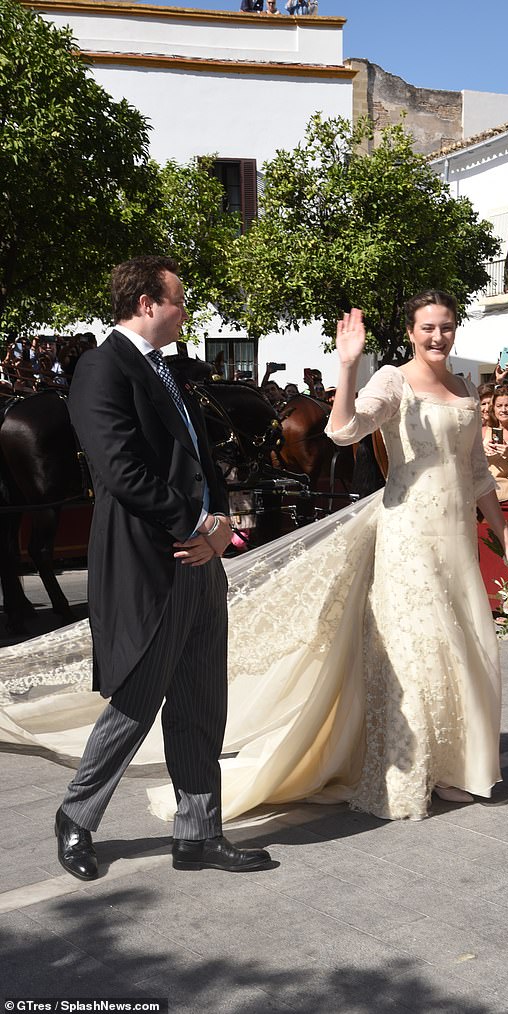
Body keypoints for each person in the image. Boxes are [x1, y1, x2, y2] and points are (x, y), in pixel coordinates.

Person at [54, 255, 272, 880]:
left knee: (202, 701)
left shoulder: (168, 372)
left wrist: (221, 523)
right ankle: (77, 815)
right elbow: (122, 472)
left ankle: (199, 833)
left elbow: (199, 461)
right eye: (179, 299)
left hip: (200, 557)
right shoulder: (102, 367)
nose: (187, 309)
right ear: (147, 303)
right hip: (151, 558)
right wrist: (198, 524)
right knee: (138, 699)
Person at [325, 290, 508, 817]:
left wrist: (505, 539)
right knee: (422, 648)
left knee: (469, 645)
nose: (438, 337)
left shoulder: (464, 385)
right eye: (428, 328)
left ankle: (457, 765)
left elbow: (478, 474)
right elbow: (345, 430)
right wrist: (348, 367)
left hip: (456, 532)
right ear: (412, 333)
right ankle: (417, 766)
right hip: (409, 532)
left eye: (446, 326)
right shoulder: (392, 379)